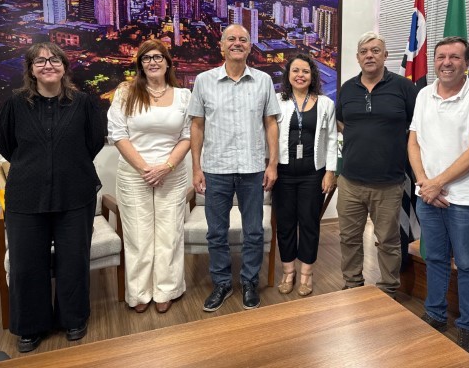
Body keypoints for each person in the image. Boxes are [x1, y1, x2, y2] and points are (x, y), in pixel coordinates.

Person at [0, 42, 104, 353]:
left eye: (54, 59)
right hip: (26, 197)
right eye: (39, 61)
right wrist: (37, 165)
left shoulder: (83, 103)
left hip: (75, 193)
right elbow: (5, 144)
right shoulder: (15, 105)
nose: (47, 65)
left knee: (73, 260)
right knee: (27, 264)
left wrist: (66, 163)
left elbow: (94, 142)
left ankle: (73, 319)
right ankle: (31, 326)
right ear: (31, 70)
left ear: (64, 66)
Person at [407, 36, 469, 357]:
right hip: (427, 195)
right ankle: (436, 314)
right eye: (441, 56)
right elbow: (413, 143)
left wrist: (437, 183)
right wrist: (424, 182)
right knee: (436, 259)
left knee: (468, 265)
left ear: (466, 63)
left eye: (454, 57)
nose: (446, 62)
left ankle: (467, 328)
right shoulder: (424, 94)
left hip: (464, 199)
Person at [189, 24, 280, 312]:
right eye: (231, 39)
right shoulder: (204, 81)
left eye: (243, 39)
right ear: (221, 46)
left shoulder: (263, 81)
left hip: (253, 169)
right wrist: (196, 168)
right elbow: (197, 125)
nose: (237, 43)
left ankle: (250, 281)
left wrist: (273, 163)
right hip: (216, 169)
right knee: (217, 232)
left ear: (250, 47)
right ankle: (222, 283)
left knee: (254, 231)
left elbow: (271, 123)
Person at [107, 39, 191, 315]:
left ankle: (167, 289)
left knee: (170, 233)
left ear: (167, 62)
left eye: (157, 57)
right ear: (140, 64)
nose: (152, 62)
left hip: (172, 173)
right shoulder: (126, 93)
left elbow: (188, 135)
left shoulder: (184, 96)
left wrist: (166, 167)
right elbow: (118, 134)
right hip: (134, 174)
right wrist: (145, 168)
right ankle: (139, 292)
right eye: (146, 58)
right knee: (138, 234)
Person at [336, 31, 418, 297]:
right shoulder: (348, 88)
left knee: (388, 241)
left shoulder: (404, 88)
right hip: (350, 181)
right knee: (349, 238)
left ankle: (388, 289)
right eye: (364, 52)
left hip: (389, 183)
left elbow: (418, 127)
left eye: (375, 50)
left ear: (385, 55)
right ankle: (352, 286)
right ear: (358, 57)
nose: (369, 56)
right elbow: (341, 122)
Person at [273, 53, 338, 296]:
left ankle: (306, 275)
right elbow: (268, 135)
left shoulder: (325, 103)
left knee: (310, 224)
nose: (300, 75)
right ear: (288, 75)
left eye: (306, 71)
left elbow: (332, 139)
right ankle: (288, 272)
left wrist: (330, 171)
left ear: (313, 76)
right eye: (295, 71)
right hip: (283, 174)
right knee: (286, 224)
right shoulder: (277, 101)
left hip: (313, 174)